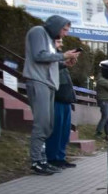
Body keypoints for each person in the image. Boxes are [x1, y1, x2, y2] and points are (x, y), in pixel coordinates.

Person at [22, 15, 80, 175]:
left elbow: (48, 61)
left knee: (48, 125)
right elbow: (39, 56)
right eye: (64, 30)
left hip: (48, 84)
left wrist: (64, 63)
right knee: (41, 124)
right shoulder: (38, 32)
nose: (65, 34)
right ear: (56, 26)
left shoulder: (48, 38)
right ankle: (36, 161)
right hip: (38, 81)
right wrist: (63, 55)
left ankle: (43, 160)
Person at [45, 39, 78, 168]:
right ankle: (52, 158)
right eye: (58, 41)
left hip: (66, 99)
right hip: (56, 99)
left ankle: (61, 157)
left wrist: (66, 63)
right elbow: (49, 68)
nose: (61, 44)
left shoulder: (59, 57)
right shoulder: (48, 55)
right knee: (56, 131)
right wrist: (64, 62)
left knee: (64, 132)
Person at [94, 65, 108, 137]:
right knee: (105, 116)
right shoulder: (102, 80)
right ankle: (98, 132)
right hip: (104, 101)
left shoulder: (105, 80)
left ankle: (107, 134)